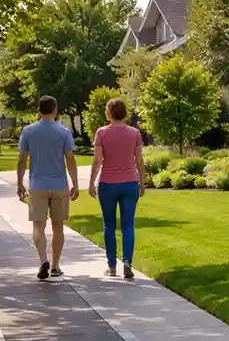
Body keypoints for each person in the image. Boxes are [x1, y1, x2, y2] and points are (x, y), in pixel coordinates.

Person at [17, 96, 80, 280]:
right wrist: (75, 183)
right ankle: (55, 266)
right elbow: (70, 159)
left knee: (38, 226)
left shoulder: (28, 131)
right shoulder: (64, 132)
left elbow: (22, 159)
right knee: (58, 227)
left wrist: (19, 182)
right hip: (59, 185)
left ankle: (43, 259)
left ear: (39, 110)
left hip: (37, 185)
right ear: (55, 110)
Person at [87, 97, 145, 279]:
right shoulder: (134, 133)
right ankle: (127, 262)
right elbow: (139, 160)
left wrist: (90, 182)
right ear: (125, 113)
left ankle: (112, 266)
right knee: (128, 225)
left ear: (109, 113)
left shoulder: (102, 133)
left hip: (107, 184)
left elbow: (97, 161)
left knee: (109, 225)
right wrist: (142, 182)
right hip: (129, 183)